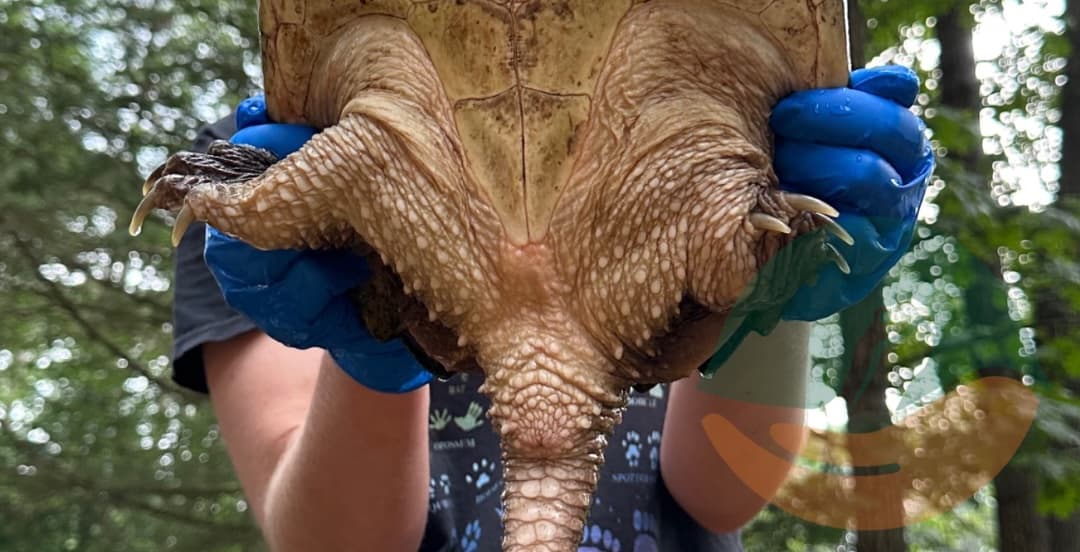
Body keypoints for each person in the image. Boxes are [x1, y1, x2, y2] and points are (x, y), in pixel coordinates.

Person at [171, 66, 933, 551]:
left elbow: (722, 490)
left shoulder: (688, 88)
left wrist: (773, 281)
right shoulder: (268, 151)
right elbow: (333, 540)